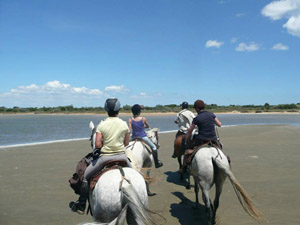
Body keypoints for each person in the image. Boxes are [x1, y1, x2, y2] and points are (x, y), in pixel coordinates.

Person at [69, 98, 132, 214]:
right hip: (122, 157)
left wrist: (106, 144)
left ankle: (81, 205)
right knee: (136, 175)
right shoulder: (124, 124)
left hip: (105, 158)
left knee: (85, 177)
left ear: (106, 110)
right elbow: (127, 143)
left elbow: (97, 144)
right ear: (119, 110)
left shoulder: (102, 125)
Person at [128, 104, 163, 168]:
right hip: (143, 137)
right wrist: (143, 127)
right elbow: (148, 126)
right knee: (154, 147)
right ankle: (157, 163)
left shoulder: (130, 120)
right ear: (139, 112)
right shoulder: (143, 119)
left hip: (134, 137)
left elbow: (129, 130)